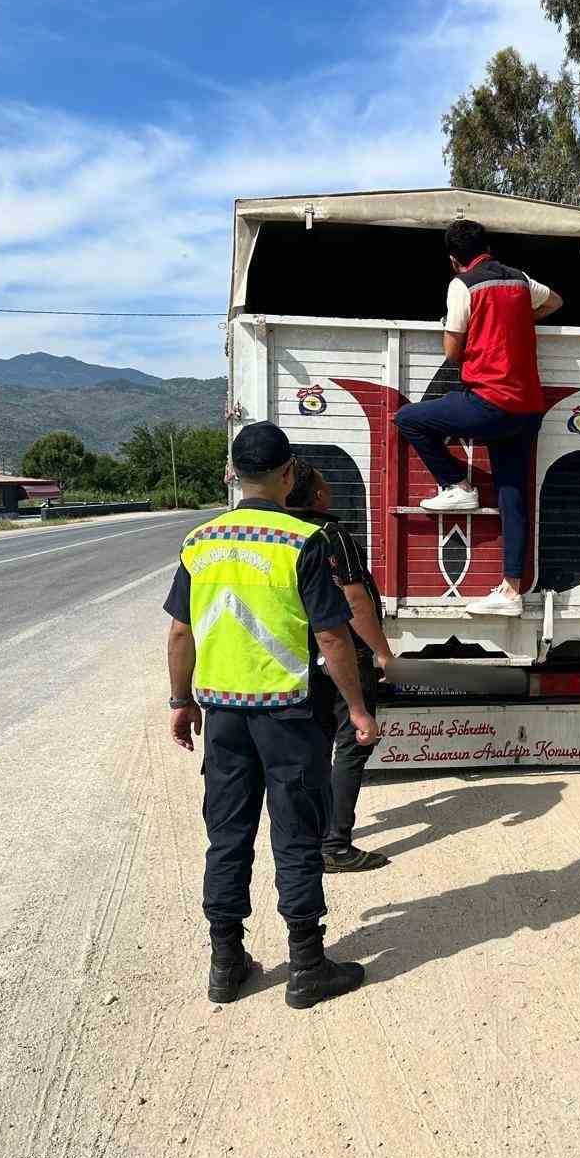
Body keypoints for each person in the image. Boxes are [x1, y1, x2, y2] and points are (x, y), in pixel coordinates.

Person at [164, 422, 380, 1010]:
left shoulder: (199, 541)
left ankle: (226, 963)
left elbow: (181, 631)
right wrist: (357, 708)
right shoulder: (303, 539)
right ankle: (308, 965)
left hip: (225, 719)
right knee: (296, 838)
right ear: (289, 474)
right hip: (288, 716)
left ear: (233, 473)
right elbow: (333, 637)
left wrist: (181, 701)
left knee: (227, 838)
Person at [394, 218, 563, 617]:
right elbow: (554, 301)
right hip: (527, 409)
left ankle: (455, 484)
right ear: (488, 247)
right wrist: (518, 320)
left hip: (489, 402)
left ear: (454, 260)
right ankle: (511, 591)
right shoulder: (519, 279)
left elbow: (453, 351)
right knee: (512, 496)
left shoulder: (462, 285)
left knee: (408, 419)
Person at [285, 463, 395, 874]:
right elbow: (354, 602)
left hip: (297, 658)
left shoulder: (280, 535)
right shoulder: (331, 534)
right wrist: (381, 651)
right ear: (316, 496)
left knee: (312, 747)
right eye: (326, 485)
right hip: (341, 655)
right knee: (353, 742)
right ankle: (335, 844)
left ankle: (308, 835)